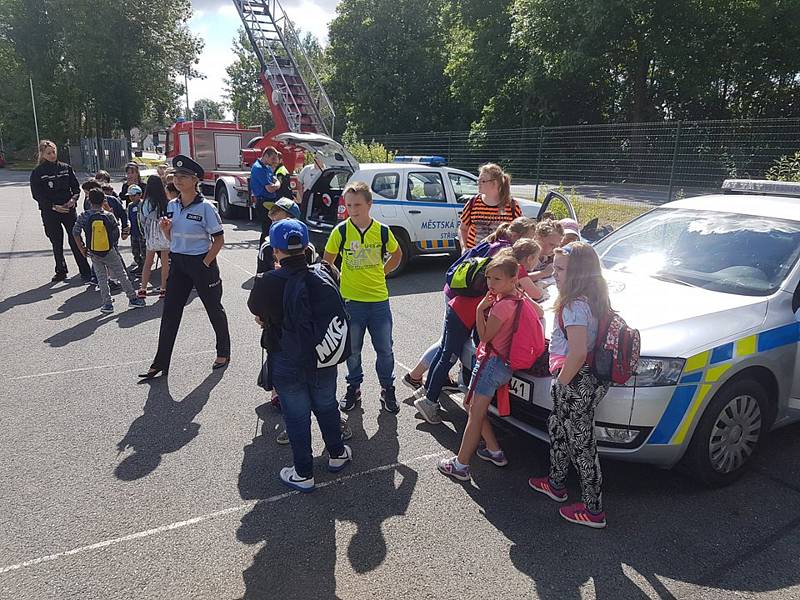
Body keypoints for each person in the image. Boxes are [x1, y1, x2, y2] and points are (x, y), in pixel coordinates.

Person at [248, 219, 352, 491]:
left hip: (286, 356)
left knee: (296, 415)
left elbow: (258, 312)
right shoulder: (325, 272)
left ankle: (304, 472)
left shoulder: (267, 282)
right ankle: (337, 454)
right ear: (306, 247)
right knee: (327, 405)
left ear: (275, 251)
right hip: (323, 355)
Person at [414, 239, 545, 424]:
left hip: (458, 309)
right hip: (462, 315)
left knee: (445, 352)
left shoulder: (499, 264)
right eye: (536, 259)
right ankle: (429, 401)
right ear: (528, 259)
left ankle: (426, 390)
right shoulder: (511, 272)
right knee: (448, 356)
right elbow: (534, 306)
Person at [528, 242, 611, 529]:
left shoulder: (575, 305)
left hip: (575, 380)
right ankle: (556, 482)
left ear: (577, 273)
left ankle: (593, 509)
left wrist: (561, 384)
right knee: (560, 429)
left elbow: (576, 352)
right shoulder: (594, 297)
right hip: (585, 378)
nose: (554, 272)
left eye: (561, 268)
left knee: (581, 444)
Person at [403, 217, 538, 391]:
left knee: (446, 348)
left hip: (458, 296)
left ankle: (427, 386)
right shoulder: (506, 256)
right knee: (449, 352)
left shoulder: (497, 243)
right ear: (519, 236)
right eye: (531, 236)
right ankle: (427, 392)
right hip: (463, 304)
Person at [139, 155, 231, 379]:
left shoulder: (206, 208)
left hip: (201, 262)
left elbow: (219, 239)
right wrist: (166, 229)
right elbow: (171, 239)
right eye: (175, 176)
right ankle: (160, 361)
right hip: (179, 263)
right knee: (170, 312)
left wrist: (206, 262)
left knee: (213, 308)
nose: (177, 180)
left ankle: (223, 352)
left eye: (183, 176)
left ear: (195, 180)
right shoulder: (172, 205)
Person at [438, 252, 526, 480]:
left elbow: (485, 336)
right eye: (489, 279)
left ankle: (461, 465)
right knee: (471, 405)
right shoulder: (518, 298)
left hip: (490, 363)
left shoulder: (500, 306)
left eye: (497, 279)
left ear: (512, 279)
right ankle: (494, 450)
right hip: (502, 363)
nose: (491, 284)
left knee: (474, 413)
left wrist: (479, 311)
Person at [323, 181, 403, 414]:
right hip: (351, 302)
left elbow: (397, 254)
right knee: (353, 350)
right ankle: (353, 387)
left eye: (358, 204)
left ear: (370, 204)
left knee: (385, 350)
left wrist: (383, 272)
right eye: (349, 205)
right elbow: (327, 262)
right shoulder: (341, 231)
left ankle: (387, 388)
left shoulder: (383, 231)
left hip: (378, 301)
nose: (353, 209)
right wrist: (337, 284)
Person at [72, 189, 146, 313]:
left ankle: (107, 304)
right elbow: (115, 232)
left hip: (93, 250)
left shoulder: (84, 215)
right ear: (103, 200)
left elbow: (75, 232)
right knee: (121, 274)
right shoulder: (108, 215)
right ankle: (133, 298)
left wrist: (82, 248)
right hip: (109, 250)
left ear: (89, 200)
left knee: (101, 277)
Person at [29, 140, 92, 283]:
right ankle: (61, 270)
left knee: (75, 239)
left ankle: (85, 271)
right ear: (42, 155)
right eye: (48, 153)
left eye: (53, 152)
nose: (52, 155)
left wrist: (73, 200)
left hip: (68, 210)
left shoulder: (65, 168)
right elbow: (37, 195)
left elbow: (76, 188)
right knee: (56, 242)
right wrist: (53, 206)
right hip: (50, 211)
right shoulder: (37, 172)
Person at [458, 163, 522, 250]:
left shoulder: (512, 205)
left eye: (483, 181)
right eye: (478, 180)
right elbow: (463, 229)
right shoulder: (473, 202)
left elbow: (520, 233)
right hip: (475, 257)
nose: (478, 183)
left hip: (500, 257)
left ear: (494, 183)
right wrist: (464, 248)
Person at [138, 175, 171, 299]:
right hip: (163, 231)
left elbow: (142, 219)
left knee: (148, 262)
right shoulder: (166, 201)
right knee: (165, 263)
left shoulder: (145, 202)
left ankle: (143, 288)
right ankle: (163, 288)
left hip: (151, 234)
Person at [250, 147, 281, 247]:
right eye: (272, 158)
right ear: (266, 156)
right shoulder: (259, 168)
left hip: (270, 200)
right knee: (267, 229)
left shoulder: (266, 167)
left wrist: (276, 183)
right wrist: (277, 185)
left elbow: (274, 178)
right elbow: (270, 188)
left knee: (271, 228)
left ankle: (269, 251)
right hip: (263, 202)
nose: (274, 161)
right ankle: (264, 252)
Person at [126, 184, 146, 275]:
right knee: (135, 251)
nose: (131, 197)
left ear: (139, 194)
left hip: (142, 233)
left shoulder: (144, 204)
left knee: (144, 251)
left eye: (133, 195)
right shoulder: (130, 206)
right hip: (134, 232)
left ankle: (146, 268)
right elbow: (128, 218)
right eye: (130, 196)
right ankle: (140, 266)